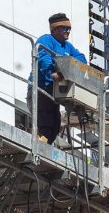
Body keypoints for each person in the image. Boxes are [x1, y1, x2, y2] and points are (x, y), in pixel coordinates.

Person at [33, 12, 86, 143]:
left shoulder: (67, 46)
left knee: (55, 124)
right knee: (45, 121)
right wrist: (51, 71)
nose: (68, 31)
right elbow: (43, 57)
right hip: (42, 88)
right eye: (65, 28)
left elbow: (81, 59)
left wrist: (67, 67)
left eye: (69, 29)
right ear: (55, 29)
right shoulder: (46, 40)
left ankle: (46, 144)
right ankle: (41, 143)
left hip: (54, 92)